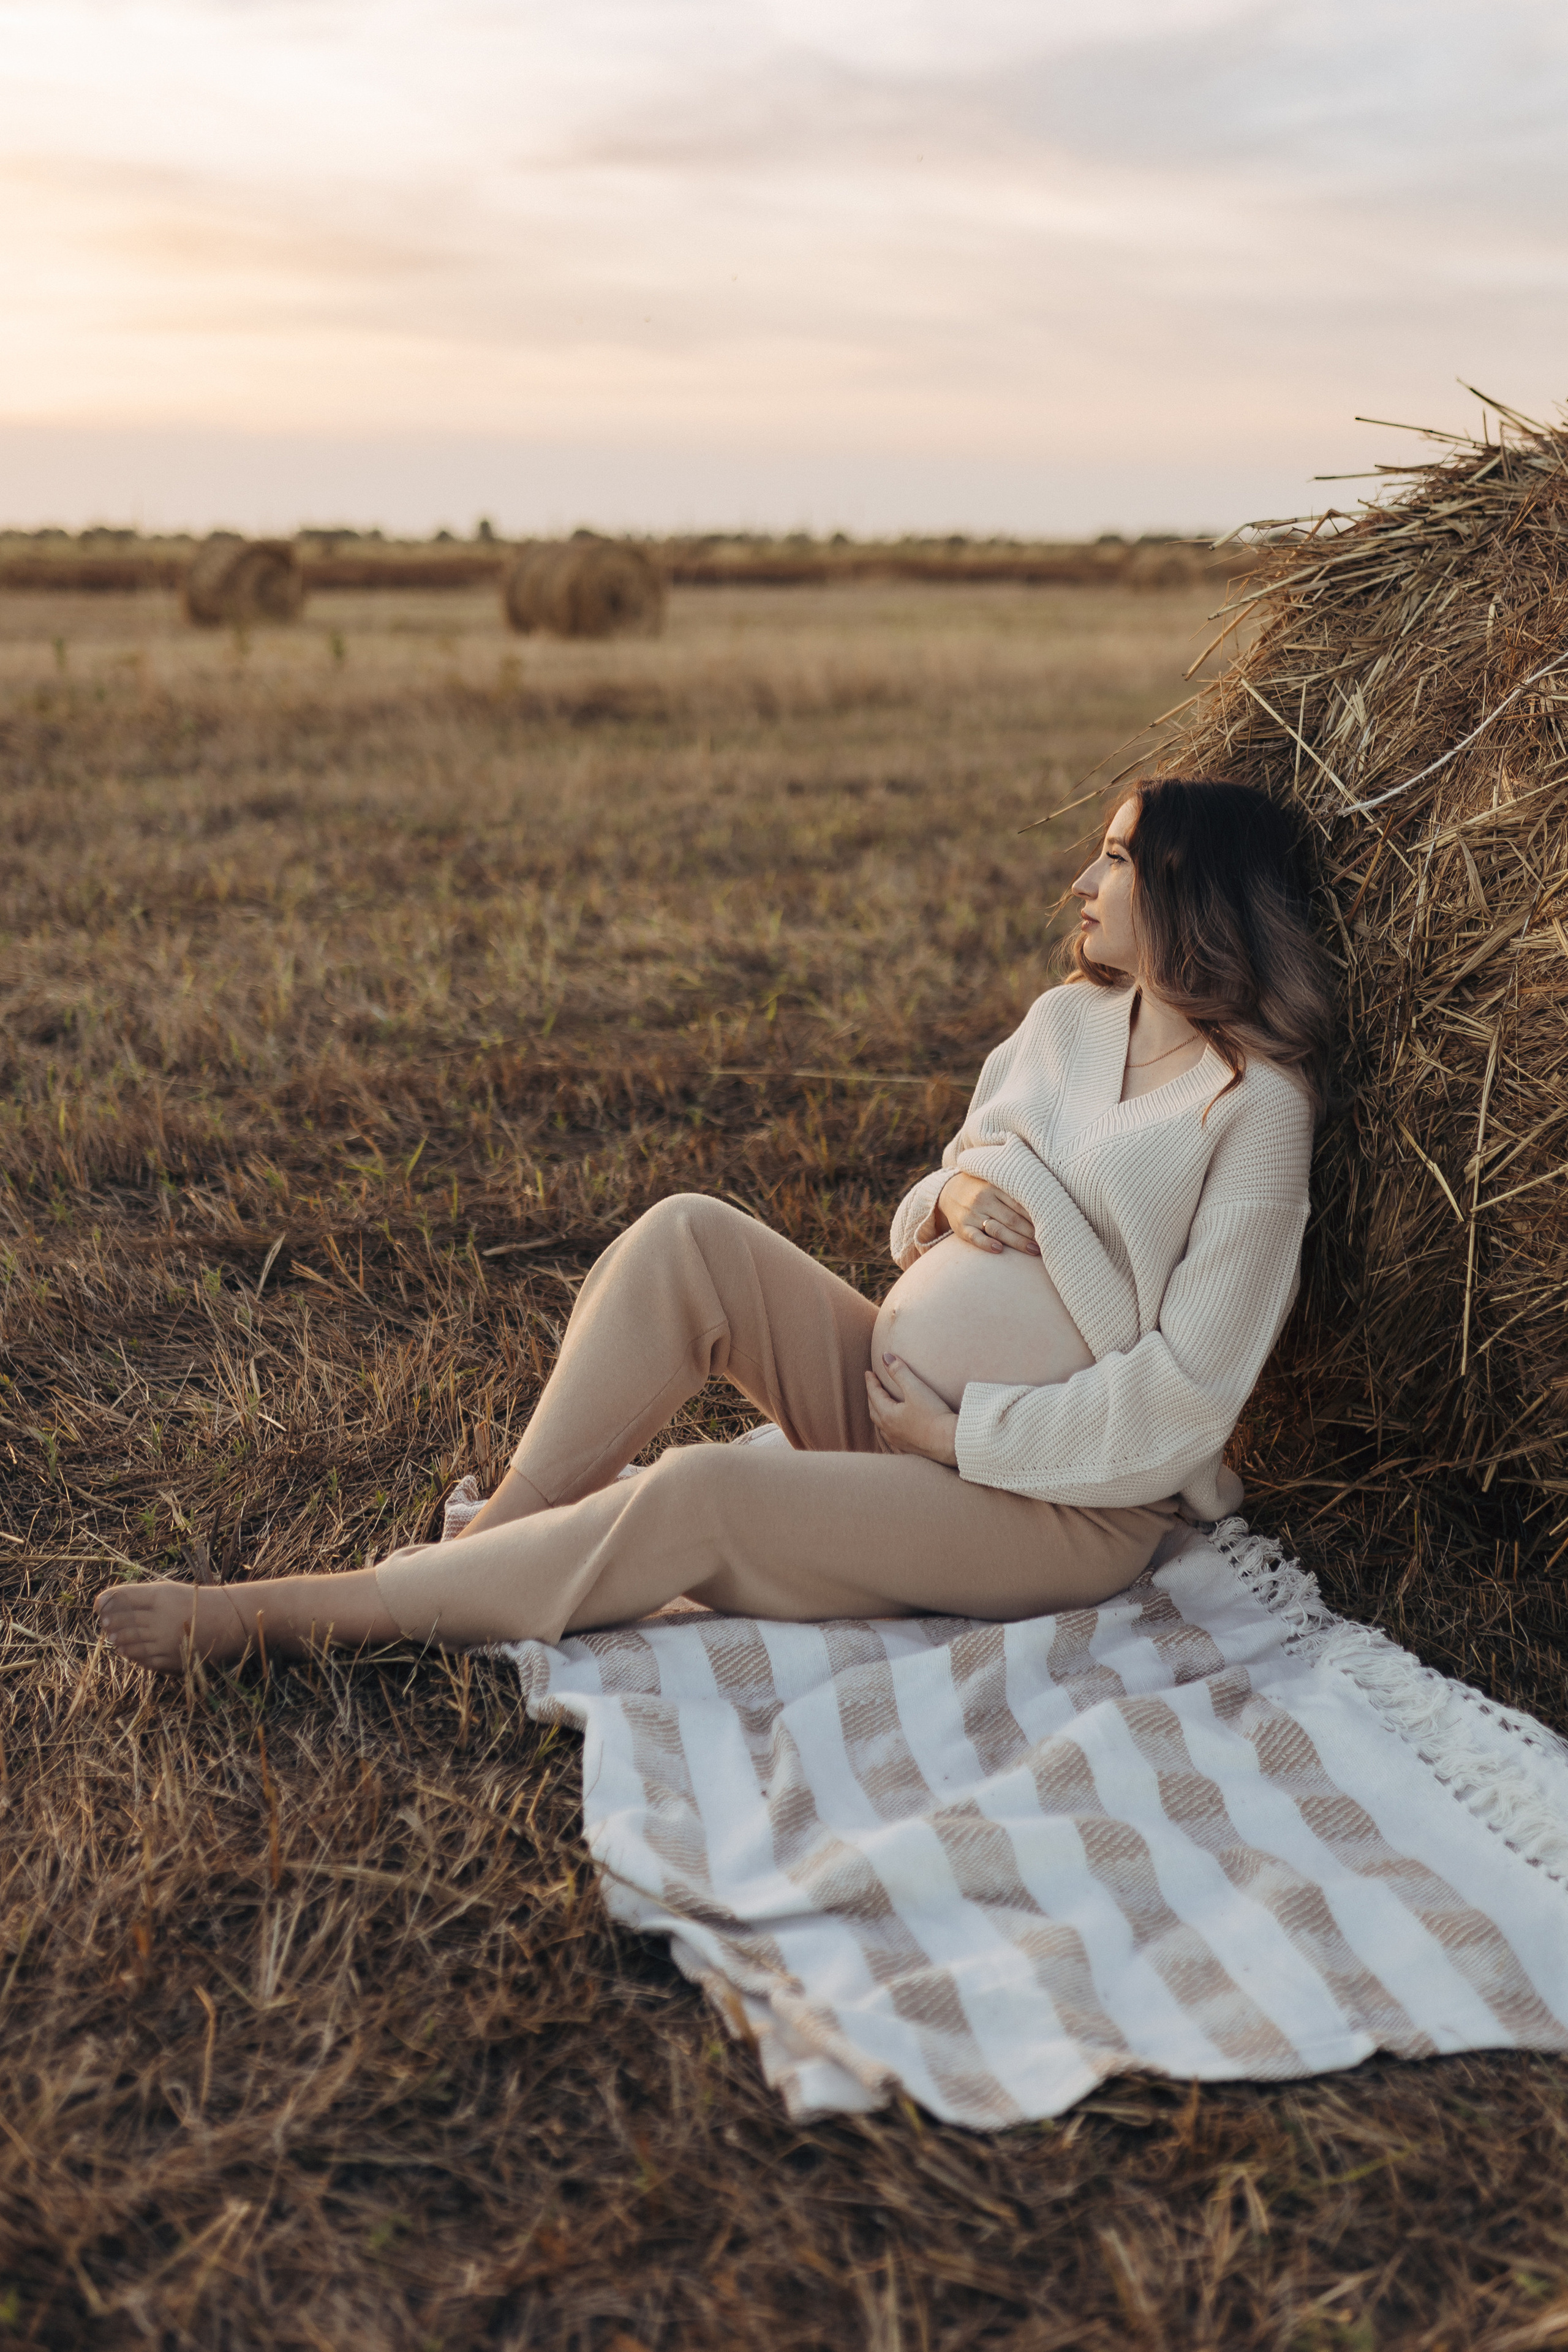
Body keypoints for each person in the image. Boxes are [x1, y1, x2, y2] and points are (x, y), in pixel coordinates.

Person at [96, 777, 1335, 1675]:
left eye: (1111, 860)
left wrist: (967, 1435)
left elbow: (1184, 1397)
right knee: (688, 1233)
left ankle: (302, 1615)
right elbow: (955, 1179)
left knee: (702, 1494)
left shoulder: (1253, 1111)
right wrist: (948, 1200)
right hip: (898, 1411)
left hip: (1057, 1506)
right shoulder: (1066, 1025)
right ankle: (514, 1528)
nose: (1080, 880)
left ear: (1183, 885)